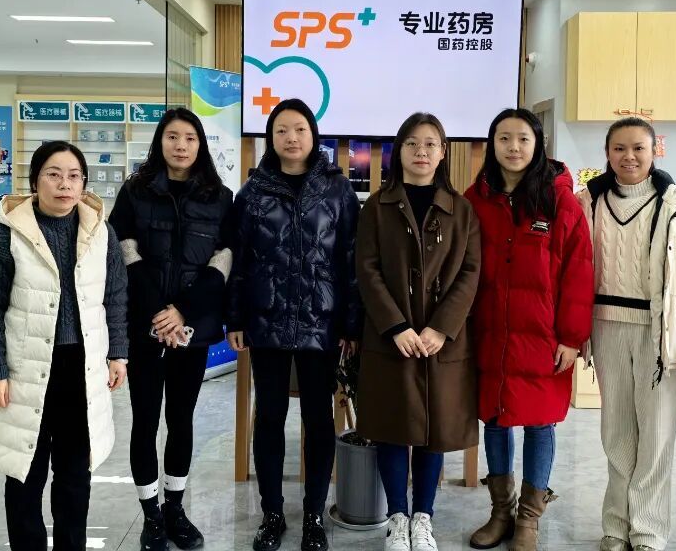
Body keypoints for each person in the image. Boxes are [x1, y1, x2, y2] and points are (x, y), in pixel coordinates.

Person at [0, 140, 129, 551]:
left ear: (84, 183)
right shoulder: (7, 236)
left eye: (74, 176)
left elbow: (115, 296)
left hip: (82, 367)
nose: (65, 184)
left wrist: (118, 353)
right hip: (27, 369)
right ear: (35, 182)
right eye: (53, 175)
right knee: (26, 470)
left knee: (76, 474)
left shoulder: (101, 233)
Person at [577, 117, 676, 551]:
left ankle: (649, 530)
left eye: (638, 147)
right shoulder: (587, 202)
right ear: (607, 153)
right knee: (616, 431)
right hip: (606, 327)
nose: (629, 157)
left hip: (658, 333)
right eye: (619, 148)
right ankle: (616, 525)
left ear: (655, 150)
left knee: (656, 435)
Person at [226, 98, 361, 551]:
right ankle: (272, 513)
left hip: (321, 322)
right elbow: (238, 261)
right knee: (269, 417)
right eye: (281, 130)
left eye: (299, 129)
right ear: (271, 137)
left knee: (318, 419)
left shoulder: (337, 190)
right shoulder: (253, 192)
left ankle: (314, 515)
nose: (291, 138)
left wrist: (352, 324)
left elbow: (351, 261)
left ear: (313, 135)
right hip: (266, 320)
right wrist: (235, 317)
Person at [465, 109, 594, 551]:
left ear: (538, 144)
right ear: (492, 144)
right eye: (504, 138)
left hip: (543, 336)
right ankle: (500, 512)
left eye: (523, 138)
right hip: (490, 332)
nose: (513, 147)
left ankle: (529, 520)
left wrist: (572, 338)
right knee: (495, 419)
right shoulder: (476, 198)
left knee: (540, 423)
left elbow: (579, 272)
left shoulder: (560, 202)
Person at [355, 112, 481, 551]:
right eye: (412, 143)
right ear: (399, 151)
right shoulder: (377, 206)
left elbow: (470, 272)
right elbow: (367, 269)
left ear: (443, 152)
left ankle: (423, 517)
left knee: (434, 430)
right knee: (392, 427)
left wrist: (441, 328)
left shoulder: (461, 209)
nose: (421, 151)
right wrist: (396, 325)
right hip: (390, 338)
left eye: (430, 143)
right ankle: (397, 518)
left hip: (440, 342)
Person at [109, 108, 233, 551]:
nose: (181, 145)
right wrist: (159, 313)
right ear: (160, 141)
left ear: (201, 145)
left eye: (190, 138)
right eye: (172, 136)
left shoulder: (220, 196)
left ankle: (175, 509)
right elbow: (124, 254)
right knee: (144, 422)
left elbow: (223, 261)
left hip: (191, 329)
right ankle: (151, 515)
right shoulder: (135, 191)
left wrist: (182, 311)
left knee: (181, 420)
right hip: (146, 328)